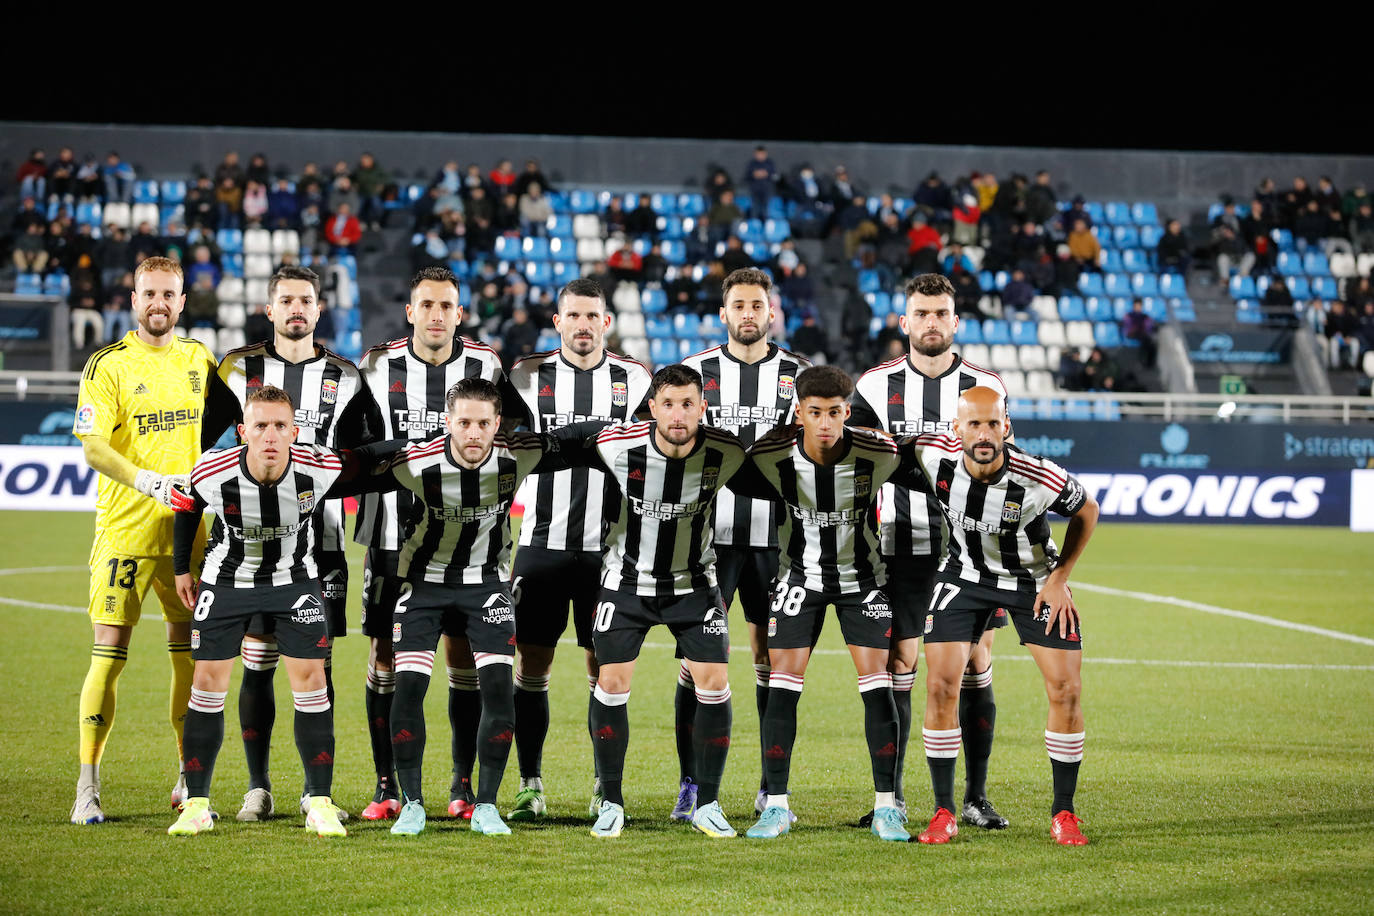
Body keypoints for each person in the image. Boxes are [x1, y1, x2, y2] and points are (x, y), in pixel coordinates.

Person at [164, 386, 392, 837]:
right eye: (261, 426)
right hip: (228, 582)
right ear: (242, 430)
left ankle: (320, 803)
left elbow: (372, 461)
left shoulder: (318, 466)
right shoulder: (212, 470)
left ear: (295, 431)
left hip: (294, 582)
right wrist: (179, 570)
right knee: (207, 685)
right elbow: (187, 507)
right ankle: (197, 804)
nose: (270, 435)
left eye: (280, 426)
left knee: (311, 683)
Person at [199, 265, 382, 823]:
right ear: (269, 309)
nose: (296, 309)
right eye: (286, 301)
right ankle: (258, 786)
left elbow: (365, 458)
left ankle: (314, 791)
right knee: (256, 662)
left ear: (319, 309)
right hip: (246, 547)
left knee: (315, 666)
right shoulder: (235, 370)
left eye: (306, 300)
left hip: (319, 544)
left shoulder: (346, 377)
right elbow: (206, 454)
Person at [377, 378, 599, 837]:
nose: (473, 433)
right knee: (410, 689)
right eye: (464, 423)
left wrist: (645, 426)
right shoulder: (413, 461)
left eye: (483, 423)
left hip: (487, 587)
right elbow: (352, 467)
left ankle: (487, 805)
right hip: (423, 586)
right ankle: (413, 804)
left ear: (498, 424)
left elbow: (579, 438)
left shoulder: (516, 455)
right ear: (447, 423)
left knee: (499, 691)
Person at [557, 364, 748, 839]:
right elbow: (562, 444)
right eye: (668, 404)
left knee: (714, 682)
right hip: (626, 584)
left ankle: (707, 802)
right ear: (651, 408)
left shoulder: (725, 451)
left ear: (703, 408)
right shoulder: (619, 444)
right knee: (612, 681)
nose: (678, 414)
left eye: (688, 404)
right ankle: (612, 800)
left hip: (694, 585)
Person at [849, 272, 1010, 831]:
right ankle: (889, 798)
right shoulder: (873, 387)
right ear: (904, 322)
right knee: (900, 667)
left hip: (970, 550)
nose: (931, 323)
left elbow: (1000, 464)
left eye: (941, 313)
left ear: (955, 321)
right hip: (897, 547)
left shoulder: (984, 387)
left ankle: (976, 796)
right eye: (921, 313)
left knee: (974, 664)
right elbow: (859, 464)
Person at [726, 366, 914, 842]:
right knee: (783, 685)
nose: (826, 423)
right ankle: (777, 805)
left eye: (834, 412)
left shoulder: (879, 451)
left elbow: (931, 468)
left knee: (879, 686)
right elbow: (732, 478)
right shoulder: (771, 454)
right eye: (815, 413)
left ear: (848, 412)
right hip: (798, 580)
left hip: (863, 581)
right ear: (799, 414)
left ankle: (887, 807)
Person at [905, 386, 1099, 846]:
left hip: (1032, 581)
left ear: (1006, 427)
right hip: (963, 576)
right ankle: (944, 812)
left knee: (1066, 690)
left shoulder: (1039, 476)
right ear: (957, 429)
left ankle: (1064, 813)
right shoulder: (933, 455)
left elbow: (1087, 509)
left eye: (993, 423)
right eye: (974, 423)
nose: (985, 433)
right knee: (939, 686)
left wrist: (1060, 577)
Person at [69, 257, 220, 825]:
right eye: (149, 293)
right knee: (108, 657)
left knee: (191, 658)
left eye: (170, 294)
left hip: (188, 535)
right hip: (126, 532)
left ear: (183, 302)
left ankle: (187, 773)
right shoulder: (106, 365)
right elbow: (92, 447)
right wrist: (149, 481)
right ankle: (88, 784)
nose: (159, 303)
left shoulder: (199, 359)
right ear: (134, 300)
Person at [353, 266, 506, 821]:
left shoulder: (485, 365)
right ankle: (385, 785)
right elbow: (358, 441)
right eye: (427, 305)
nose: (437, 315)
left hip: (469, 543)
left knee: (464, 655)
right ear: (410, 312)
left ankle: (463, 784)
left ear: (459, 313)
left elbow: (504, 436)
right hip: (392, 535)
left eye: (447, 306)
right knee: (386, 656)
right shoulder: (376, 364)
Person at [504, 278, 653, 821]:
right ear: (558, 321)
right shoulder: (525, 377)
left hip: (607, 553)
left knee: (604, 668)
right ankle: (530, 783)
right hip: (540, 544)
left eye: (594, 316)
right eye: (575, 316)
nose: (584, 325)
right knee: (532, 665)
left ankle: (601, 785)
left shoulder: (635, 379)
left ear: (606, 323)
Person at [680, 268, 812, 818]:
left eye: (757, 304)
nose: (749, 314)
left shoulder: (799, 376)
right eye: (739, 305)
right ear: (724, 313)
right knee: (694, 661)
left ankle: (768, 786)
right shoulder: (695, 372)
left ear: (772, 312)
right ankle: (691, 785)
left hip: (775, 544)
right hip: (705, 541)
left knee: (769, 657)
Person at [1323, 300, 1360, 370]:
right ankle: (1335, 365)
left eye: (1336, 306)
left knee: (1355, 343)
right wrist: (1328, 327)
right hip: (1336, 338)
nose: (1333, 308)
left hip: (1347, 338)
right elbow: (1328, 332)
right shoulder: (1330, 316)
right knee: (1334, 343)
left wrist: (1349, 336)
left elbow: (1354, 328)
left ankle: (1352, 364)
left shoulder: (1349, 316)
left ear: (1341, 307)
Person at [1122, 298, 1157, 368]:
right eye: (1136, 306)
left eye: (1139, 306)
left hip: (1142, 335)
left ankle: (1149, 362)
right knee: (1146, 340)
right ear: (1134, 306)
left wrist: (1148, 327)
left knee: (1151, 343)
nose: (1138, 308)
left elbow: (1149, 326)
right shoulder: (1129, 315)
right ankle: (1143, 361)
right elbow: (1128, 326)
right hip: (1132, 334)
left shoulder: (1144, 316)